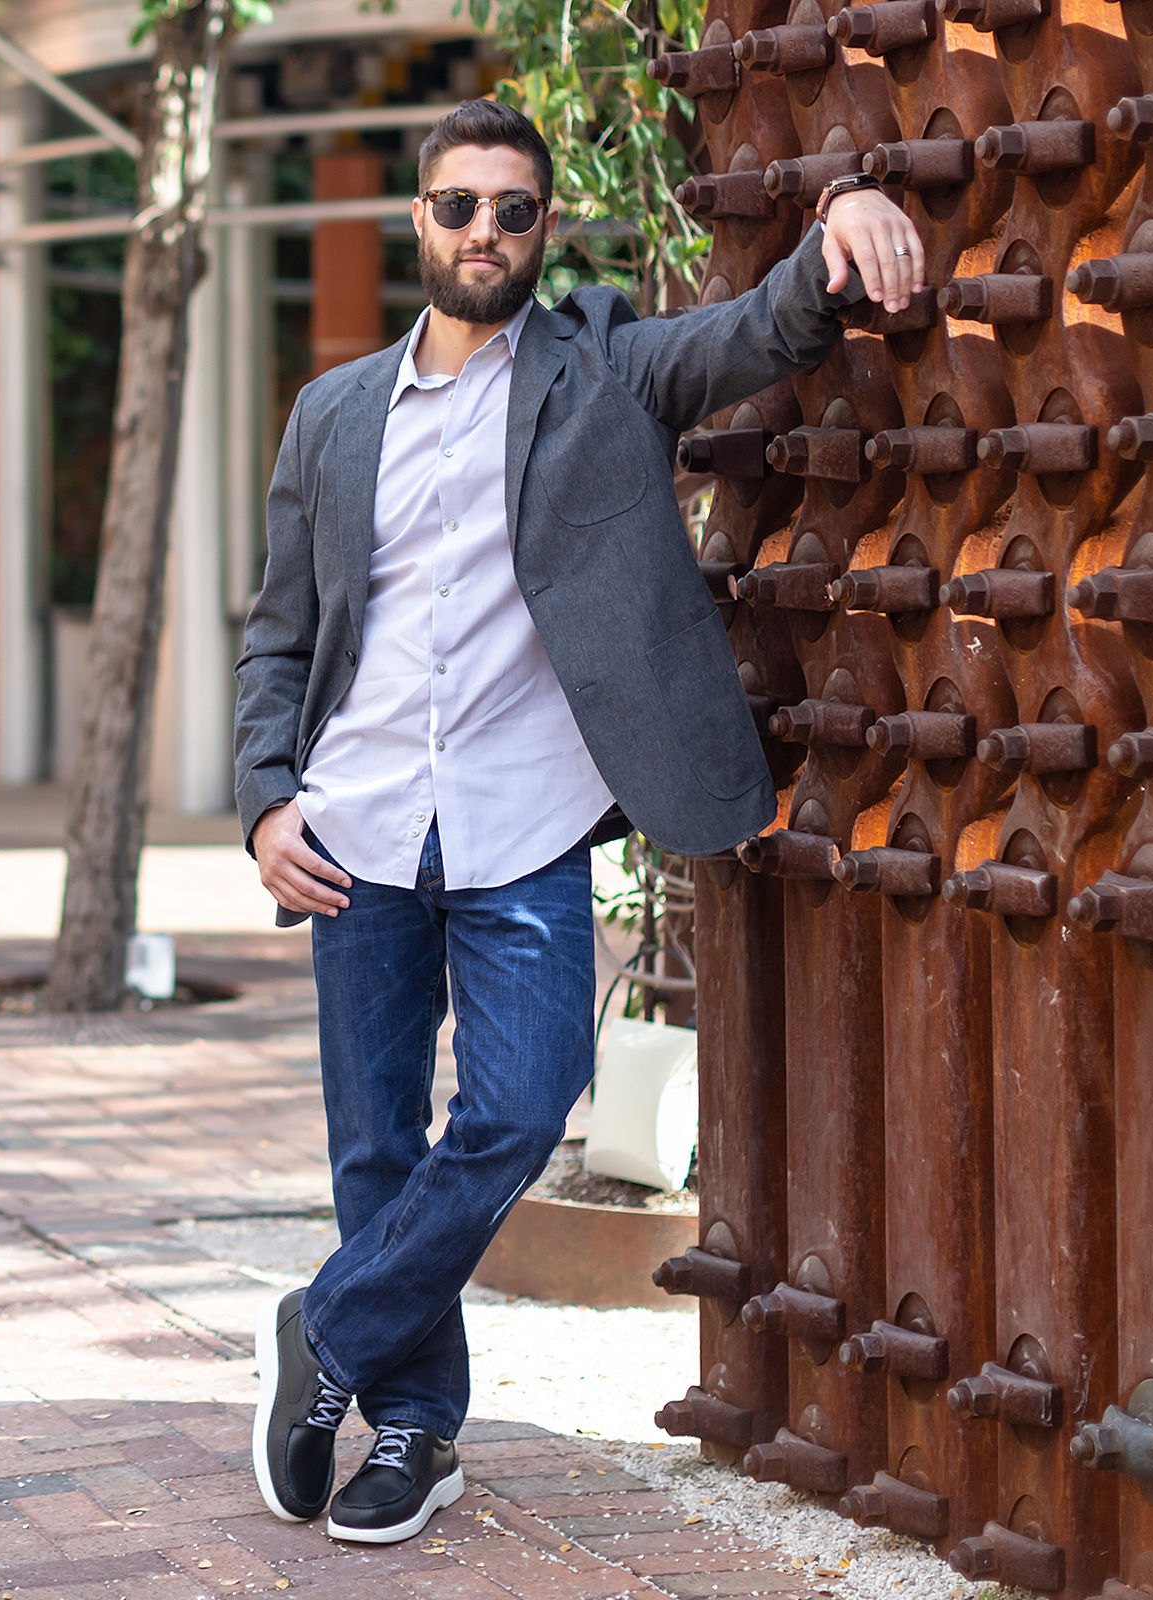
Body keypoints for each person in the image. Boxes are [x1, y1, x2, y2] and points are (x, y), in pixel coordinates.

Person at [232, 98, 924, 1545]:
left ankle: (325, 1332)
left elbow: (757, 332)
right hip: (356, 825)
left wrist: (843, 219)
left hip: (524, 826)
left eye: (514, 209)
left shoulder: (604, 368)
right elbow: (281, 634)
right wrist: (263, 802)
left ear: (546, 228)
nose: (485, 231)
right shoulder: (334, 414)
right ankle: (412, 1430)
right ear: (419, 222)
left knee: (522, 1105)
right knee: (374, 1142)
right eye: (459, 206)